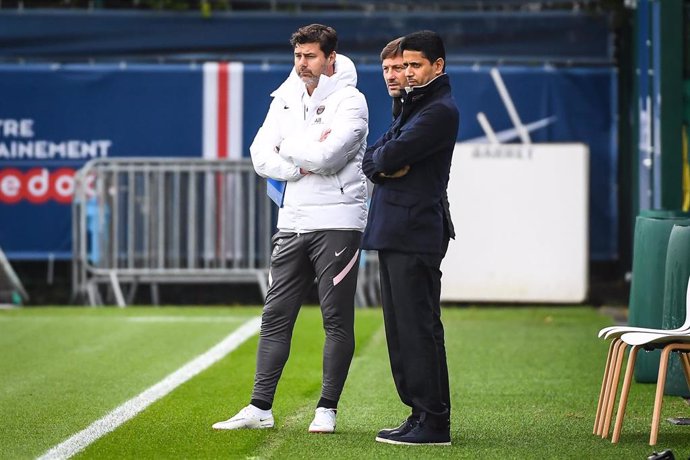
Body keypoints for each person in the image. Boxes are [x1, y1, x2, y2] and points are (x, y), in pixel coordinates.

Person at [212, 24, 369, 434]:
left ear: (331, 57)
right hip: (291, 219)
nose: (303, 64)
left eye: (311, 56)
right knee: (275, 315)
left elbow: (330, 156)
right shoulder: (285, 97)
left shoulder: (352, 101)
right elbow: (260, 152)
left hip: (337, 220)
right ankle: (260, 408)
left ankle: (327, 409)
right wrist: (293, 164)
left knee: (335, 320)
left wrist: (292, 147)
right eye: (298, 56)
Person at [361, 30, 459, 446]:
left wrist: (384, 162)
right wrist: (382, 163)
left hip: (416, 229)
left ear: (437, 66)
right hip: (400, 229)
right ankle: (419, 412)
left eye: (415, 65)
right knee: (402, 329)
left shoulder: (438, 111)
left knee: (418, 328)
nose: (408, 73)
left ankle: (434, 421)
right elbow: (373, 158)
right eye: (404, 66)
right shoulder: (414, 105)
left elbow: (387, 156)